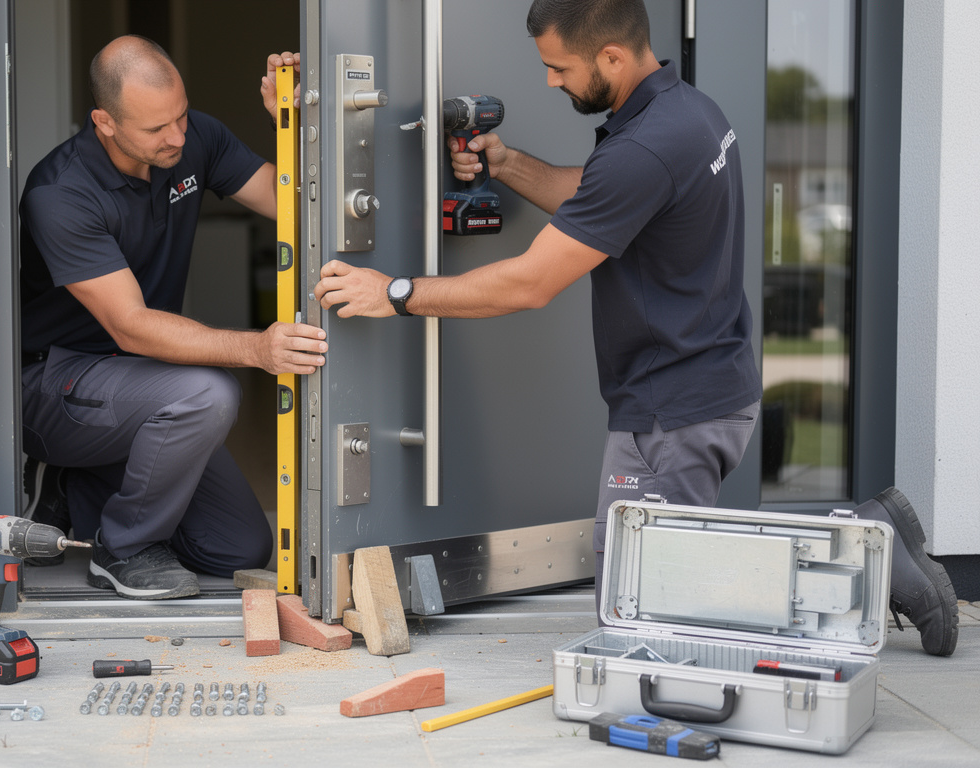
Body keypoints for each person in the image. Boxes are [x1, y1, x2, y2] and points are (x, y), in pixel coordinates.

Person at [311, 0, 957, 654]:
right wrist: (506, 164)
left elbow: (532, 282)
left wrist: (393, 292)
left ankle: (866, 548)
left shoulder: (644, 146)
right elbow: (597, 197)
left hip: (668, 411)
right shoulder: (687, 114)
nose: (550, 82)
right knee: (656, 587)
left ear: (612, 58)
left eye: (559, 67)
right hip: (705, 385)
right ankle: (864, 534)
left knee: (646, 610)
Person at [17, 37, 324, 600]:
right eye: (156, 128)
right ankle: (123, 546)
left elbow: (295, 207)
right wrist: (257, 348)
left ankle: (81, 484)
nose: (178, 137)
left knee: (238, 548)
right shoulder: (60, 194)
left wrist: (298, 122)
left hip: (137, 382)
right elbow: (130, 324)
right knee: (206, 394)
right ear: (104, 122)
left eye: (181, 115)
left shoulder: (194, 139)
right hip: (55, 384)